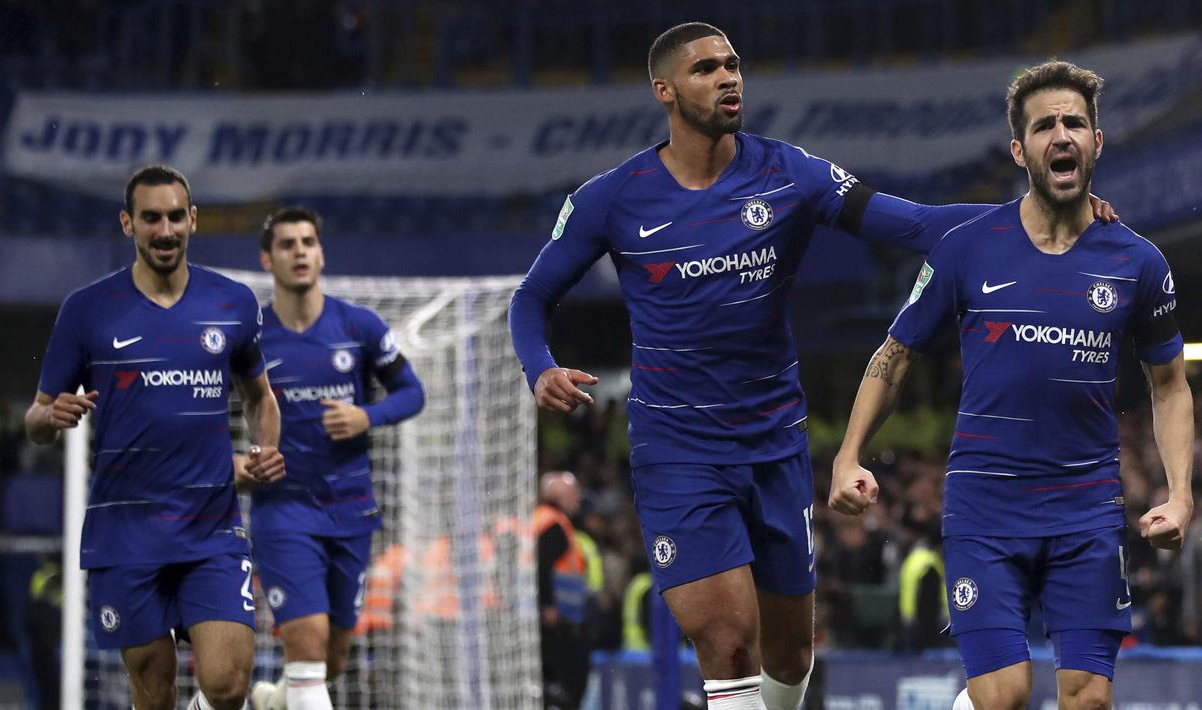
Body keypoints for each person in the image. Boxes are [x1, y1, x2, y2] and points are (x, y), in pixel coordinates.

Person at [508, 22, 1118, 710]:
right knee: (727, 643)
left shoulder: (788, 172)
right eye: (706, 69)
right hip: (677, 450)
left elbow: (915, 224)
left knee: (791, 653)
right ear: (665, 91)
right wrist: (539, 367)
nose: (727, 78)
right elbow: (533, 296)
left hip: (774, 444)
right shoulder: (612, 197)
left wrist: (1039, 212)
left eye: (733, 64)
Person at [829, 60, 1193, 710]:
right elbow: (895, 352)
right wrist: (848, 452)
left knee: (1088, 701)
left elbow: (1167, 385)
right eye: (1044, 124)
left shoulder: (1137, 261)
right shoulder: (968, 247)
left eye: (1074, 123)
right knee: (1002, 696)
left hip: (1087, 509)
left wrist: (1180, 494)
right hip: (984, 509)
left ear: (1095, 142)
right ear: (1018, 149)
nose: (1061, 135)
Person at [24, 165, 285, 710]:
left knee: (229, 683)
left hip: (210, 527)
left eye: (174, 216)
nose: (164, 230)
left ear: (192, 219)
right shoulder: (86, 310)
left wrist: (265, 450)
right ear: (128, 223)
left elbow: (260, 395)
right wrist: (51, 418)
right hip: (125, 533)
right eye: (150, 218)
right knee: (153, 693)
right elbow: (36, 419)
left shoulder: (233, 303)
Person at [243, 208, 425, 710]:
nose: (299, 251)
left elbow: (412, 393)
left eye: (308, 242)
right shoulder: (251, 335)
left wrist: (367, 416)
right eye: (287, 244)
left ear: (322, 254)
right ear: (267, 258)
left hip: (350, 510)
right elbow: (214, 406)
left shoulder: (359, 326)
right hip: (283, 510)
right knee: (306, 638)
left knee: (332, 658)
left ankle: (273, 701)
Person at [535, 471, 590, 709]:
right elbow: (542, 565)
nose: (578, 499)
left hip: (540, 620)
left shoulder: (536, 519)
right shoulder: (554, 524)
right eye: (573, 494)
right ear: (559, 496)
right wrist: (546, 605)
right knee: (567, 689)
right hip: (557, 624)